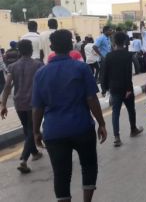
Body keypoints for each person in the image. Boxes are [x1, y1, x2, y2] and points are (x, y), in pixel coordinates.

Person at [32, 29, 107, 202]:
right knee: (88, 166)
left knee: (61, 174)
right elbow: (91, 99)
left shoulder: (41, 74)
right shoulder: (81, 68)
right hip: (82, 127)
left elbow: (37, 108)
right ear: (71, 45)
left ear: (51, 47)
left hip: (54, 131)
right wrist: (101, 123)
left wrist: (36, 131)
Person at [0, 39, 44, 174]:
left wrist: (3, 104)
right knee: (32, 129)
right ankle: (23, 160)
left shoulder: (13, 66)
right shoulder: (38, 65)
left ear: (19, 51)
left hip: (19, 103)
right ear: (31, 50)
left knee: (27, 128)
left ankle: (35, 153)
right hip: (34, 103)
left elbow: (7, 86)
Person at [102, 32, 144, 147]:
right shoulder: (128, 55)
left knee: (115, 112)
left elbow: (104, 73)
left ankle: (116, 137)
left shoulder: (108, 56)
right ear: (125, 42)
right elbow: (130, 73)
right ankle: (133, 129)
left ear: (114, 42)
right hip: (126, 88)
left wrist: (104, 89)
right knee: (131, 109)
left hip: (114, 88)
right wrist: (129, 89)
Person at [93, 26, 113, 95]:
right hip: (104, 59)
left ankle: (108, 88)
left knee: (109, 74)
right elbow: (94, 47)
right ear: (105, 31)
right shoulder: (101, 38)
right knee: (103, 75)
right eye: (110, 30)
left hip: (109, 59)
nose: (111, 31)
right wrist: (102, 56)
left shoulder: (108, 38)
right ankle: (104, 90)